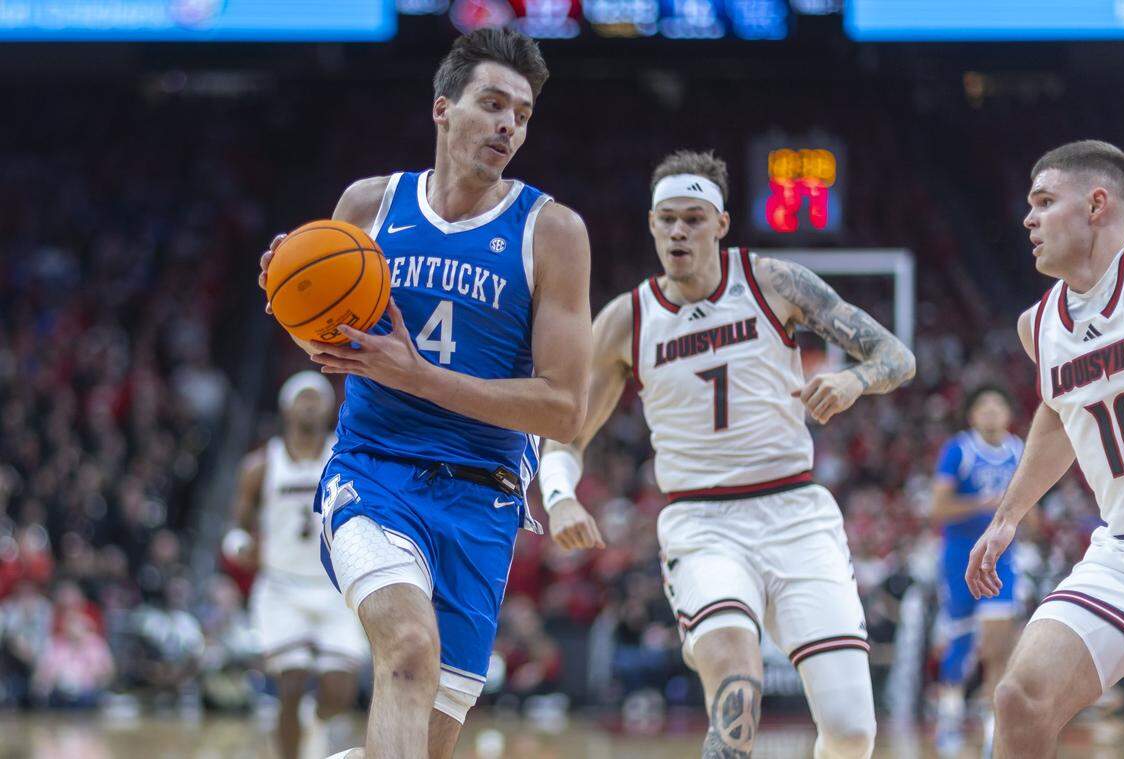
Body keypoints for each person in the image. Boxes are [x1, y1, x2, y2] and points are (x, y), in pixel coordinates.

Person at [258, 28, 591, 759]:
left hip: (484, 501)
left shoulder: (552, 232)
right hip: (374, 474)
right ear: (443, 108)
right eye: (493, 103)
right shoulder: (369, 204)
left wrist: (418, 375)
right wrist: (291, 295)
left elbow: (563, 406)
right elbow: (327, 347)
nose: (508, 124)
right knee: (408, 649)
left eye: (523, 114)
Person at [539, 149, 914, 758]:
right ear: (652, 226)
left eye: (693, 217)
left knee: (851, 729)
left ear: (721, 223)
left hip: (796, 513)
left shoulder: (773, 282)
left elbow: (897, 357)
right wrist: (559, 498)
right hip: (702, 524)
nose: (678, 231)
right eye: (666, 219)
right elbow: (566, 429)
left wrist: (854, 381)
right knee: (737, 692)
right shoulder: (626, 320)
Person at [965, 139, 1124, 757]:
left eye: (1044, 201)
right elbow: (1059, 414)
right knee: (1021, 699)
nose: (1027, 219)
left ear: (1097, 204)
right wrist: (1007, 516)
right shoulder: (1037, 325)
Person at [222, 371, 367, 759]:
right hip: (281, 586)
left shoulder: (345, 457)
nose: (309, 404)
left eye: (316, 398)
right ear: (286, 407)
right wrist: (238, 546)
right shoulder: (260, 464)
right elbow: (238, 525)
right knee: (291, 681)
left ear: (328, 408)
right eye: (302, 397)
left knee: (340, 690)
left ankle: (314, 723)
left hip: (334, 586)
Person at [930, 386, 1023, 757]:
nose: (991, 411)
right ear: (972, 415)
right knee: (962, 644)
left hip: (1002, 560)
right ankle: (949, 719)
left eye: (998, 404)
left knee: (999, 646)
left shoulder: (1020, 449)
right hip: (959, 556)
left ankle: (992, 729)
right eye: (983, 405)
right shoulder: (959, 450)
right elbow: (938, 509)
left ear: (1009, 413)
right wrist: (982, 504)